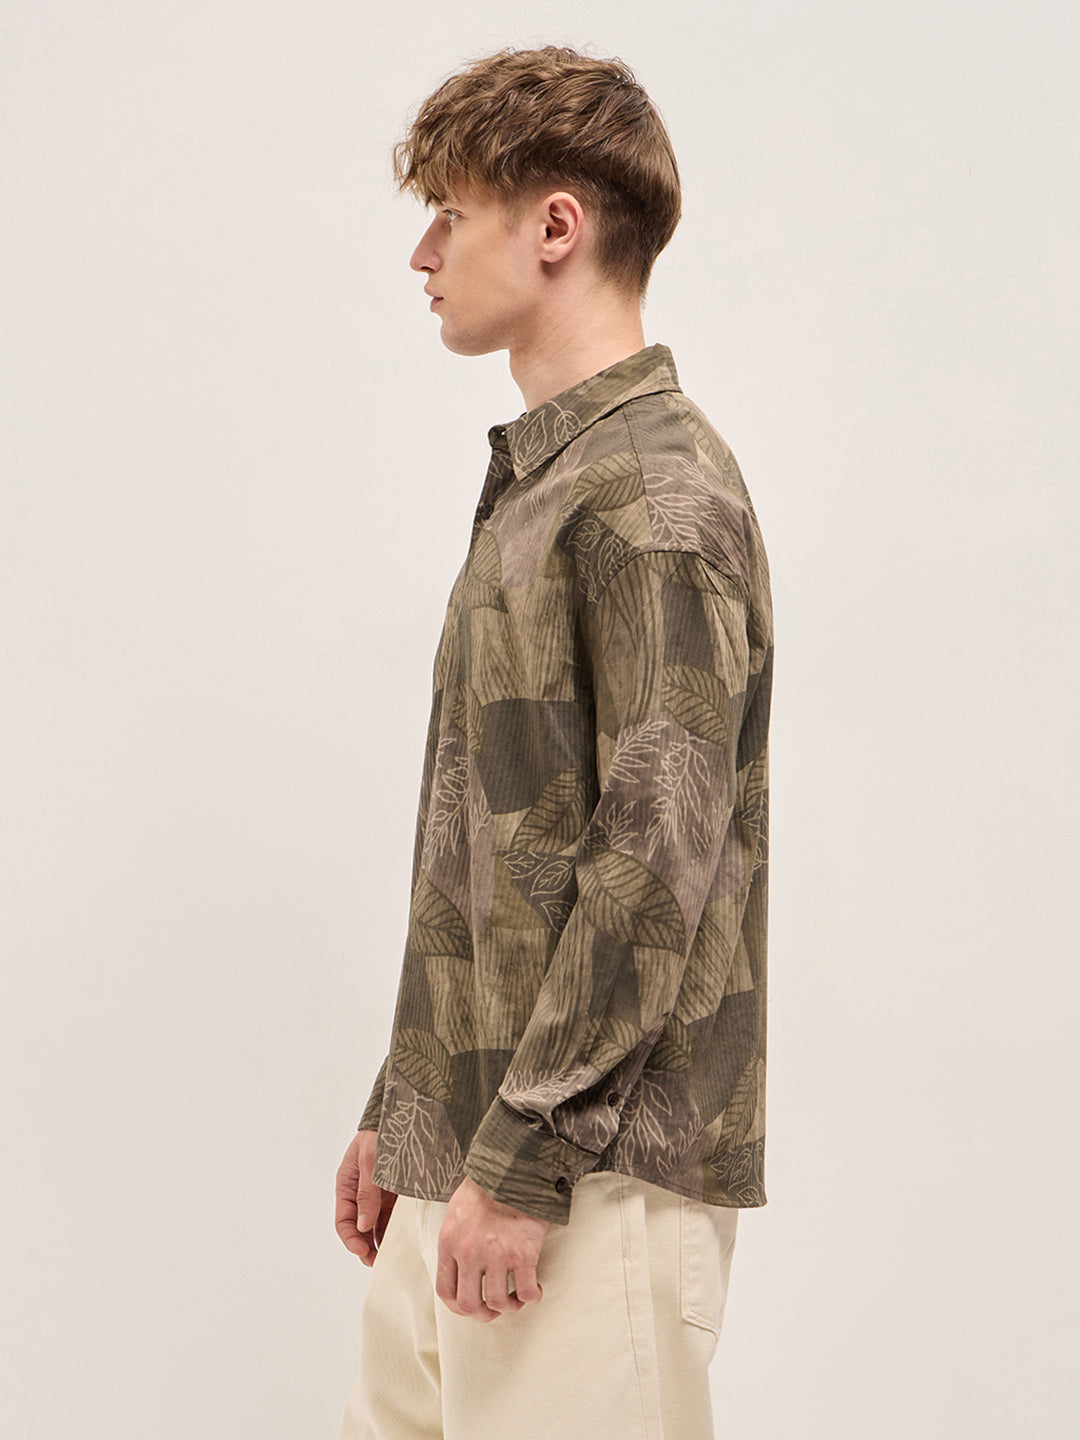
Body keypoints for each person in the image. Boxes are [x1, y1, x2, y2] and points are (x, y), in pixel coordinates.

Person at [334, 43, 773, 1440]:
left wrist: (524, 1161)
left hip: (582, 1179)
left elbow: (654, 862)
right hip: (476, 1155)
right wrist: (407, 1102)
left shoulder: (652, 495)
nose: (423, 253)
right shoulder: (552, 485)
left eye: (450, 212)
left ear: (557, 225)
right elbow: (499, 843)